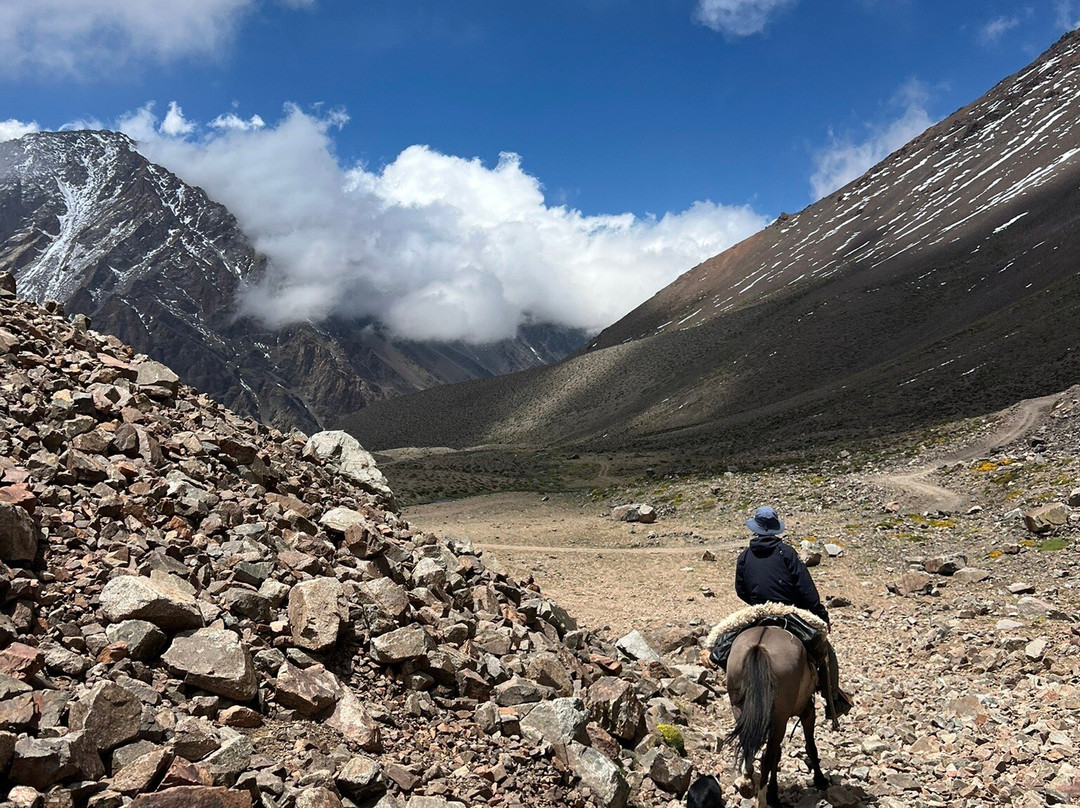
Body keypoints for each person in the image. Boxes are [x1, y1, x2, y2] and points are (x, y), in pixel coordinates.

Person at [734, 505, 852, 721]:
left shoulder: (744, 556)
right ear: (775, 529)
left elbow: (740, 589)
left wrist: (758, 604)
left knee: (725, 645)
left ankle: (735, 692)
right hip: (788, 612)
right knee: (826, 651)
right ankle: (833, 699)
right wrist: (821, 614)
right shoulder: (786, 552)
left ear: (755, 529)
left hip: (758, 612)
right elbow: (806, 589)